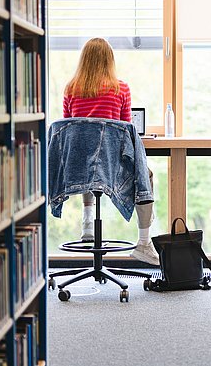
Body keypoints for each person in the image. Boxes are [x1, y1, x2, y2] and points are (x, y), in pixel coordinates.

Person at [62, 37, 159, 265]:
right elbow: (125, 129)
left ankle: (87, 223)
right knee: (146, 176)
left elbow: (69, 130)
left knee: (88, 164)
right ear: (109, 60)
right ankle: (144, 243)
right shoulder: (120, 88)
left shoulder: (71, 88)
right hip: (111, 166)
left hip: (77, 166)